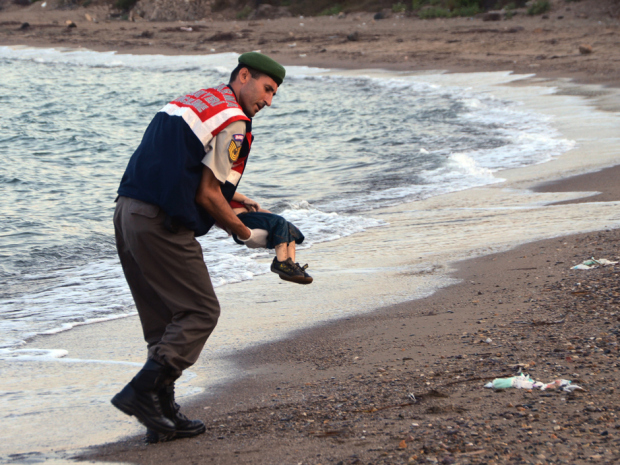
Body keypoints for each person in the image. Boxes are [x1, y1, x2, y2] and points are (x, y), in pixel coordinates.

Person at [110, 52, 286, 443]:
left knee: (163, 322)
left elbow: (180, 167)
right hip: (160, 223)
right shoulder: (235, 122)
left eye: (274, 94)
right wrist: (244, 233)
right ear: (244, 75)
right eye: (267, 89)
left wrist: (238, 200)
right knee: (200, 311)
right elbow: (207, 196)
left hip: (127, 213)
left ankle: (161, 416)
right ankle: (141, 392)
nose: (269, 102)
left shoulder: (195, 100)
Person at [228, 192, 313, 284]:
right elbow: (226, 191)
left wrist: (274, 219)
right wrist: (246, 199)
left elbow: (260, 211)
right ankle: (281, 263)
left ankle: (290, 266)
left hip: (252, 217)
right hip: (240, 219)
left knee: (287, 226)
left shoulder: (240, 201)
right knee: (280, 221)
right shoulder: (223, 193)